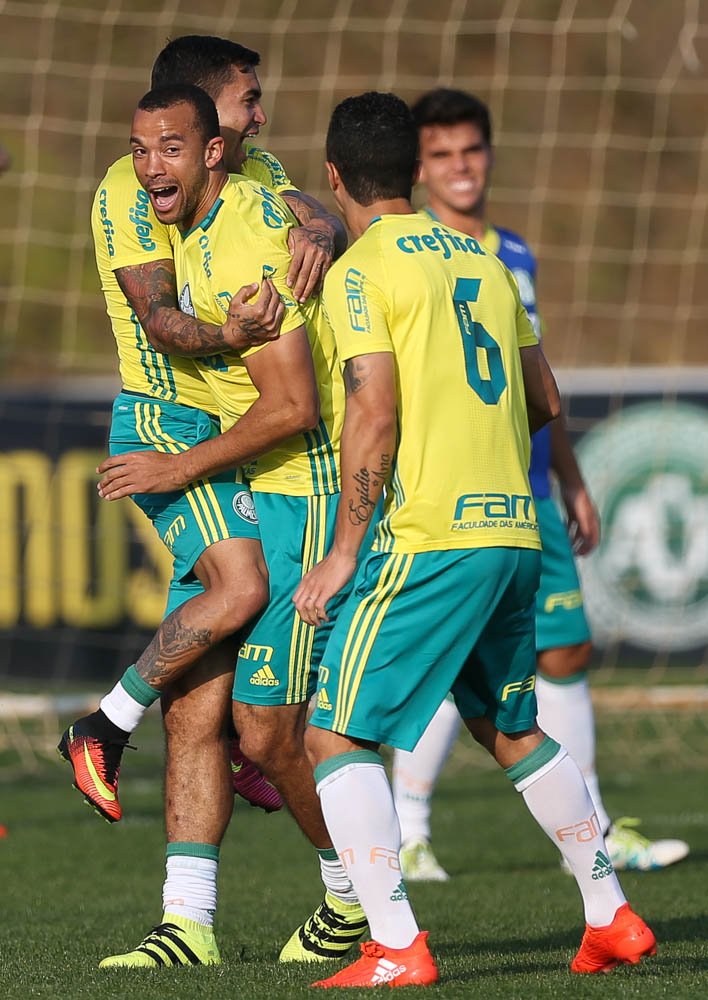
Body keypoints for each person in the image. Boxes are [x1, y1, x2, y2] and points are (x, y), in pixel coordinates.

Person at [292, 90, 656, 988]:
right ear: (417, 169)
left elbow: (373, 411)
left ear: (333, 175)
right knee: (510, 727)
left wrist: (344, 550)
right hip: (511, 530)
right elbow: (545, 398)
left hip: (426, 538)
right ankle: (610, 916)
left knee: (332, 736)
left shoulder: (360, 273)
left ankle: (394, 945)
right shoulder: (485, 263)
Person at [60, 36, 349, 969]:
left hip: (238, 440)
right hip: (169, 426)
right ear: (202, 117)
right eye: (247, 99)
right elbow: (160, 321)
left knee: (212, 709)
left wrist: (316, 227)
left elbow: (311, 206)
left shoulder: (250, 177)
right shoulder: (127, 188)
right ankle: (105, 730)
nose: (260, 114)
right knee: (238, 606)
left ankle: (209, 916)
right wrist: (230, 328)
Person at [393, 87, 689, 882]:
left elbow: (537, 383)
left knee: (564, 650)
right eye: (442, 155)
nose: (460, 167)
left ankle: (588, 831)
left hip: (530, 493)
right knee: (451, 661)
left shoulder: (514, 253)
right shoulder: (403, 254)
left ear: (489, 155)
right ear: (417, 168)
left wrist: (573, 481)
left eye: (472, 151)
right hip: (450, 497)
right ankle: (409, 832)